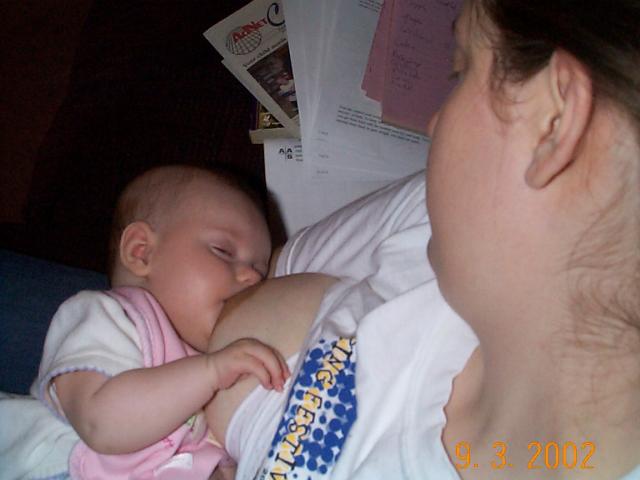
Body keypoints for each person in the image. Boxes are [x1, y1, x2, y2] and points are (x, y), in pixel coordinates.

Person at [203, 0, 640, 478]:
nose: (434, 123)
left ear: (552, 121)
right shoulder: (441, 226)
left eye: (461, 71)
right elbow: (271, 271)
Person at [1, 165, 290, 479]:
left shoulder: (220, 362)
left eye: (260, 272)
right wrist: (210, 373)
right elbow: (101, 423)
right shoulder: (112, 317)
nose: (251, 278)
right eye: (223, 251)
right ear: (141, 252)